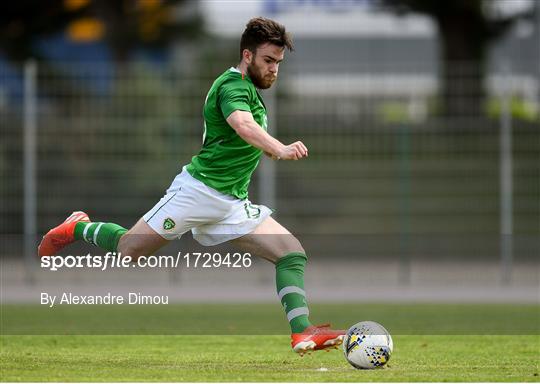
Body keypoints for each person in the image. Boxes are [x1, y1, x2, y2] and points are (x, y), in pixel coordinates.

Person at [38, 17, 344, 354]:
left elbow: (243, 135)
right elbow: (242, 125)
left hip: (231, 204)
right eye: (268, 61)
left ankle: (302, 332)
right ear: (247, 55)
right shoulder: (232, 87)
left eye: (278, 63)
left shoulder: (251, 92)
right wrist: (278, 148)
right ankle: (77, 227)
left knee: (291, 254)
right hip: (198, 193)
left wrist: (265, 148)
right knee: (130, 250)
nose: (274, 70)